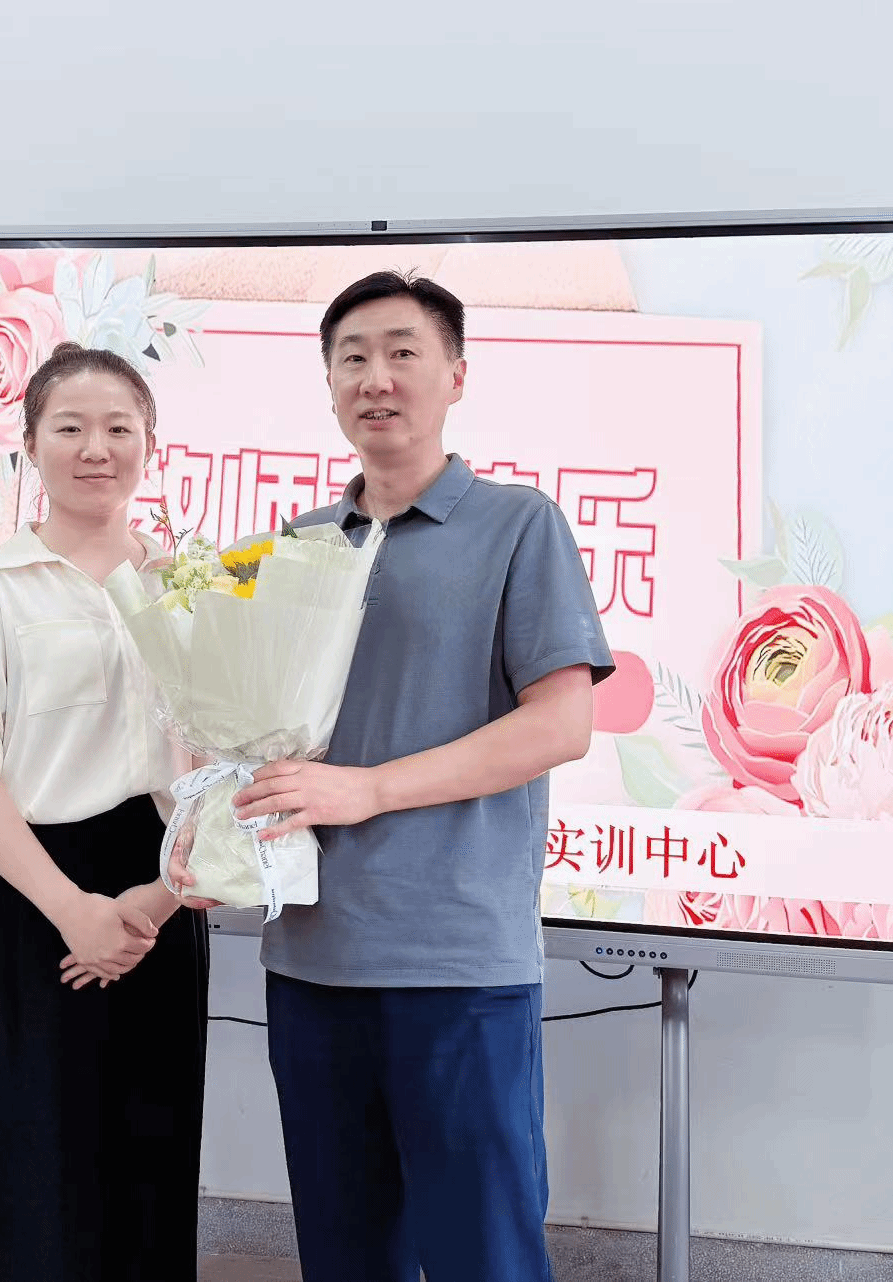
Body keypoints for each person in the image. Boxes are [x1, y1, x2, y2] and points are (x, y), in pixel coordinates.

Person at [174, 271, 614, 1282]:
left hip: (457, 964)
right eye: (353, 358)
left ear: (455, 374)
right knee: (345, 1256)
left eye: (402, 352)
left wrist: (367, 789)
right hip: (311, 958)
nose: (377, 377)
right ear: (329, 385)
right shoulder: (292, 547)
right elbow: (252, 738)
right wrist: (211, 828)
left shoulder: (519, 525)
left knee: (483, 1258)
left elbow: (561, 724)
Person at [0, 342, 208, 1282]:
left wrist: (157, 899)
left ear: (151, 443)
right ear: (30, 443)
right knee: (13, 1170)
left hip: (157, 897)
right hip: (21, 895)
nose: (96, 448)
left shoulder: (191, 587)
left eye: (119, 427)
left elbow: (222, 771)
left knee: (141, 1167)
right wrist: (72, 908)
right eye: (70, 427)